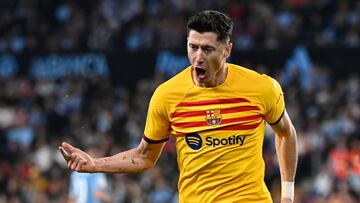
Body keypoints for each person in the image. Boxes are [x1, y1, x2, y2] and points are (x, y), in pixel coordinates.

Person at [59, 10, 298, 203]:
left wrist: (287, 196)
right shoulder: (167, 96)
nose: (198, 57)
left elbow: (286, 133)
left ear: (227, 50)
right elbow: (145, 156)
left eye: (207, 49)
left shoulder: (262, 88)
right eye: (193, 47)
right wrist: (95, 164)